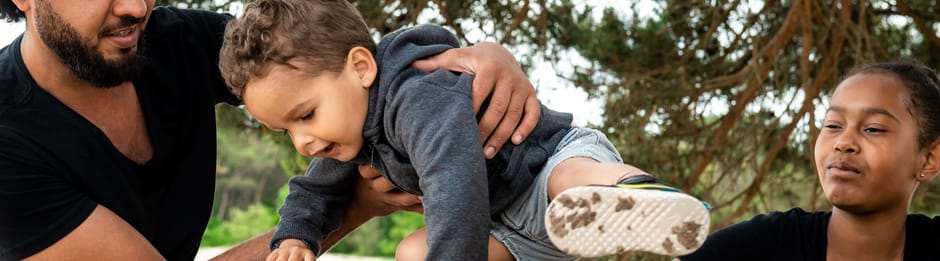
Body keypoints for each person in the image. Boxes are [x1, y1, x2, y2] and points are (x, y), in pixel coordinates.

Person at [0, 0, 546, 260]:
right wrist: (354, 205)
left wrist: (477, 60)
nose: (137, 7)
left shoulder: (172, 41)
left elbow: (337, 66)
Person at [218, 1, 712, 260]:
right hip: (509, 230)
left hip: (543, 166)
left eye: (304, 115)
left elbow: (454, 183)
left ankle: (640, 198)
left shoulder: (415, 96)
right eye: (285, 130)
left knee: (569, 183)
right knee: (412, 251)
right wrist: (295, 237)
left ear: (361, 67)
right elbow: (312, 189)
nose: (303, 140)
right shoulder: (343, 132)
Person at [679, 61, 940, 260]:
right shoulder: (767, 244)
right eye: (833, 125)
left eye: (873, 128)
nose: (843, 142)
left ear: (928, 159)